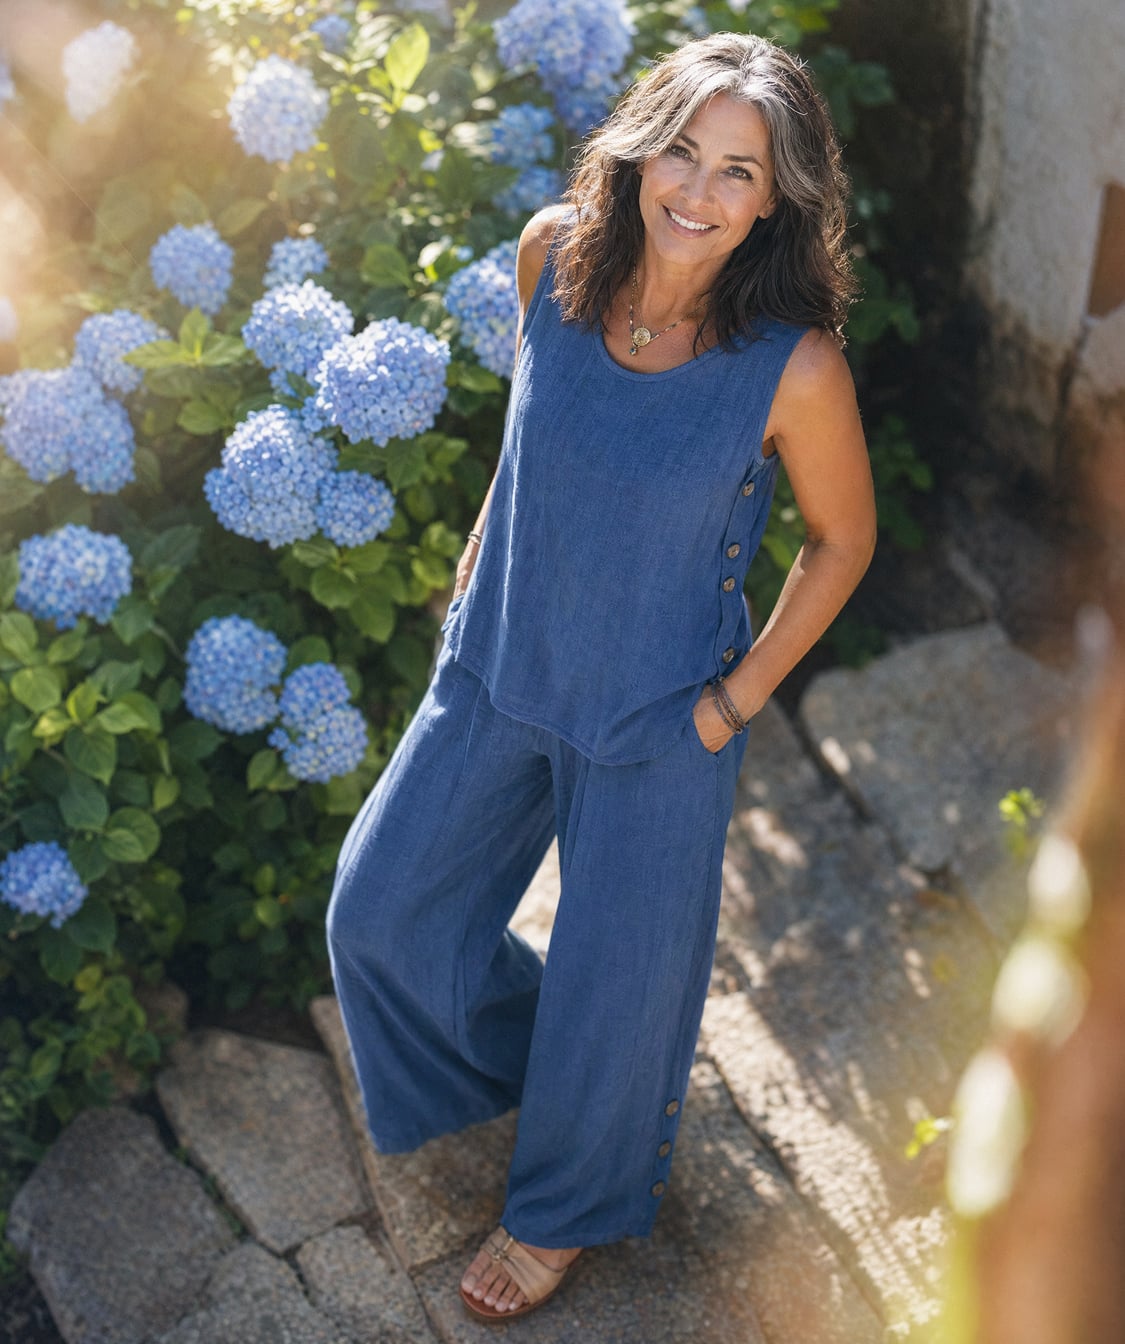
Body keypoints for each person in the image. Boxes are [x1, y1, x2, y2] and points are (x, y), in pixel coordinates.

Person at [327, 30, 876, 1322]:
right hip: (499, 666)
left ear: (777, 197)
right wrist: (473, 564)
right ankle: (589, 1079)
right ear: (638, 149)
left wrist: (732, 703)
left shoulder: (791, 365)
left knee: (618, 977)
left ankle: (568, 1198)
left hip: (654, 712)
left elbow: (843, 541)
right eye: (679, 149)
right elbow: (536, 438)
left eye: (737, 170)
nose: (697, 189)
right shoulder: (553, 255)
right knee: (379, 916)